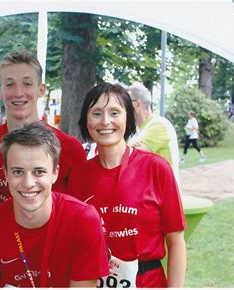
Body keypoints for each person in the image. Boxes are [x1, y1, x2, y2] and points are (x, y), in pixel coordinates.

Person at [67, 83, 186, 287]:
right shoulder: (79, 175)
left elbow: (176, 242)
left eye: (114, 112)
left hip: (147, 281)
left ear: (127, 118)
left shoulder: (156, 168)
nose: (105, 121)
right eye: (96, 113)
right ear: (86, 121)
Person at [0, 122, 109, 287]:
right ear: (5, 173)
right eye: (18, 172)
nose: (28, 183)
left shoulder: (83, 220)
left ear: (55, 173)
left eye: (39, 172)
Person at [0, 51, 86, 212]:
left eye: (27, 83)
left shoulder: (70, 148)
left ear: (41, 90)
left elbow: (78, 211)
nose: (18, 92)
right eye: (10, 84)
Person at [127, 82, 181, 185]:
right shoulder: (139, 130)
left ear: (137, 104)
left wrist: (129, 149)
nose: (122, 107)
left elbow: (127, 158)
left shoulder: (158, 125)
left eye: (125, 103)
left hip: (163, 195)